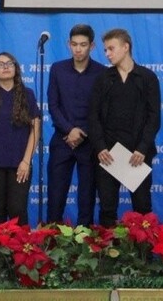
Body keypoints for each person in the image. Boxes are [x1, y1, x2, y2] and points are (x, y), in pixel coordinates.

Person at [88, 28, 162, 227]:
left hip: (137, 154)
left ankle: (142, 247)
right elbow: (93, 116)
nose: (107, 54)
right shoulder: (103, 79)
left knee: (142, 208)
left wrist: (142, 148)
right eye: (105, 50)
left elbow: (154, 117)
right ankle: (107, 246)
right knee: (107, 208)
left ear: (126, 47)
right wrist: (100, 147)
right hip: (108, 154)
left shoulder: (147, 77)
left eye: (111, 48)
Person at [46, 24, 106, 226]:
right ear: (68, 44)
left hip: (89, 143)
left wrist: (83, 132)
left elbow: (102, 110)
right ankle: (52, 237)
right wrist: (69, 130)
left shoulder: (102, 73)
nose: (78, 49)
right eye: (74, 44)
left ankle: (84, 238)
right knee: (55, 194)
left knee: (87, 196)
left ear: (92, 46)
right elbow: (53, 105)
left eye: (83, 45)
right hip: (62, 139)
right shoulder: (57, 69)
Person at [0, 52, 42, 225]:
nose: (5, 67)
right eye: (0, 64)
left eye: (9, 63)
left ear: (16, 68)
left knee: (18, 210)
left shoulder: (27, 95)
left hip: (20, 165)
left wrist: (26, 161)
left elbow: (35, 129)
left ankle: (21, 244)